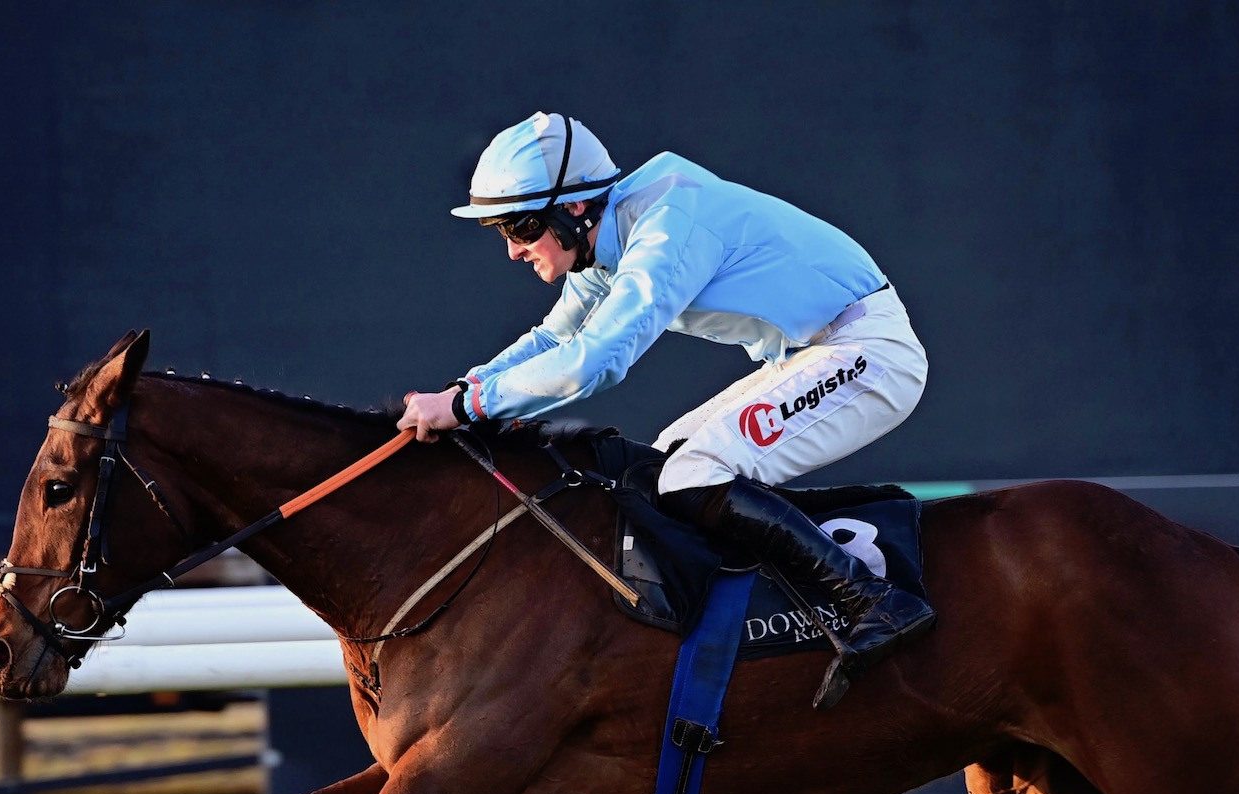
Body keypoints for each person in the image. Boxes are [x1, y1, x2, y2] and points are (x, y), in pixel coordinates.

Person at [398, 112, 933, 708]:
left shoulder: (668, 222)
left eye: (520, 228)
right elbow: (553, 340)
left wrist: (469, 407)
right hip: (810, 353)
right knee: (662, 468)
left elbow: (595, 360)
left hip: (866, 352)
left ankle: (875, 601)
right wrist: (464, 388)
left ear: (574, 209)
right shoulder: (609, 235)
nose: (514, 250)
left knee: (693, 474)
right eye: (502, 231)